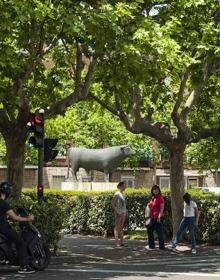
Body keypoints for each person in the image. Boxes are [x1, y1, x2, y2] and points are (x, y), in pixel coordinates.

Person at [0, 181, 35, 273]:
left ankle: (6, 258)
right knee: (21, 242)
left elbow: (5, 215)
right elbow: (15, 217)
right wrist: (27, 218)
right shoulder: (3, 204)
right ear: (8, 192)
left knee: (10, 240)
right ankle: (24, 267)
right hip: (3, 228)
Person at [146, 184, 165, 250]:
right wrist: (149, 205)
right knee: (149, 230)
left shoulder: (160, 197)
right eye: (154, 189)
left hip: (158, 217)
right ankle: (151, 246)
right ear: (152, 191)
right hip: (152, 217)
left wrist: (159, 217)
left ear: (159, 190)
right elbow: (151, 207)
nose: (155, 190)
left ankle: (162, 247)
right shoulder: (153, 198)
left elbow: (162, 208)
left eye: (157, 189)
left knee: (159, 233)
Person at [111, 181, 127, 247]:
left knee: (121, 227)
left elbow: (124, 204)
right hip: (119, 212)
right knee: (117, 227)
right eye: (123, 186)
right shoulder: (117, 194)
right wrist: (116, 210)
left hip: (123, 212)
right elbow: (112, 202)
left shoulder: (123, 194)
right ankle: (117, 242)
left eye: (125, 186)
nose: (124, 187)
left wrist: (125, 211)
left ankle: (122, 242)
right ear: (119, 187)